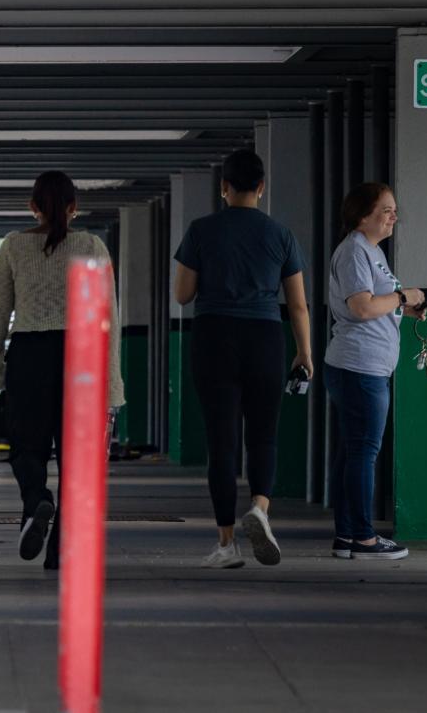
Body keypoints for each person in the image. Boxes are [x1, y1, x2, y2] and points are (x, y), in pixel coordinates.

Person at [172, 149, 312, 570]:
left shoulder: (201, 230)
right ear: (262, 188)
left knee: (222, 442)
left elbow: (182, 295)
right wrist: (304, 352)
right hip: (266, 337)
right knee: (264, 435)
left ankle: (226, 544)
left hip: (214, 335)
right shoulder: (281, 234)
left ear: (224, 188)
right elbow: (299, 305)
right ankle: (261, 509)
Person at [0, 170, 124, 571]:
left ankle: (36, 501)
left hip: (29, 356)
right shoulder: (92, 245)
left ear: (33, 207)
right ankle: (59, 553)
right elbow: (108, 317)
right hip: (81, 358)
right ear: (75, 208)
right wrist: (112, 381)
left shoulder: (13, 246)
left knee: (27, 448)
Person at [324, 183, 425, 561]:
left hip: (366, 364)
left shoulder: (371, 251)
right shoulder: (354, 251)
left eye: (394, 209)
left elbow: (375, 304)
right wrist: (402, 296)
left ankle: (347, 536)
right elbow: (361, 307)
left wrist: (406, 308)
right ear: (362, 215)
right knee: (364, 451)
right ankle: (364, 538)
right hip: (359, 365)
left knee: (353, 451)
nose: (393, 216)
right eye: (386, 210)